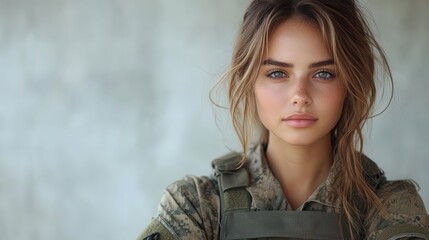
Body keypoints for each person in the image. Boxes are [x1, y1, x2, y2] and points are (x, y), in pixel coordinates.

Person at [138, 0, 429, 239]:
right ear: (248, 81)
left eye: (323, 74)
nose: (300, 95)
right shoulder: (196, 206)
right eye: (277, 73)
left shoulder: (388, 207)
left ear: (350, 84)